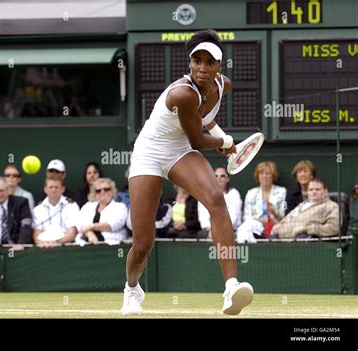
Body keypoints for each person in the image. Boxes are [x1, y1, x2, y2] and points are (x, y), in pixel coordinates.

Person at [123, 29, 253, 315]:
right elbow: (198, 141)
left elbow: (205, 118)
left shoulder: (223, 86)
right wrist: (226, 142)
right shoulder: (182, 93)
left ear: (220, 66)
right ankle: (132, 288)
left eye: (210, 62)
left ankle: (231, 286)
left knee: (216, 200)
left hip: (180, 149)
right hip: (149, 153)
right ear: (190, 63)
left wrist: (218, 134)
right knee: (143, 243)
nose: (203, 68)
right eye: (197, 61)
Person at [236, 161, 286, 243]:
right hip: (256, 224)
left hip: (275, 225)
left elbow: (284, 216)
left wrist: (274, 213)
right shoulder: (251, 193)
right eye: (261, 174)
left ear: (273, 176)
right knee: (245, 228)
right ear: (258, 176)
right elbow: (246, 216)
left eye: (267, 174)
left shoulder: (282, 192)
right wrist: (259, 220)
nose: (264, 176)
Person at [271, 179, 339, 239]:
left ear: (325, 191)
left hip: (304, 241)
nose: (314, 192)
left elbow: (333, 228)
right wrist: (276, 227)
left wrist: (308, 229)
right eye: (311, 190)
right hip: (281, 238)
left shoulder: (331, 206)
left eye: (317, 189)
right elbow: (284, 220)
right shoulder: (302, 205)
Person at [76, 178, 128, 245]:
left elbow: (113, 225)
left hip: (111, 244)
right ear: (94, 193)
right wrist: (89, 234)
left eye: (106, 189)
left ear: (112, 191)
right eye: (98, 190)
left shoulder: (120, 207)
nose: (102, 192)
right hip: (85, 243)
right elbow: (80, 224)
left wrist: (90, 227)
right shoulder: (88, 206)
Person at [32, 175, 80, 247]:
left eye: (56, 187)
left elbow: (72, 232)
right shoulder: (38, 209)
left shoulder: (71, 206)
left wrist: (57, 242)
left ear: (62, 189)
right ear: (45, 189)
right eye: (50, 187)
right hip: (44, 248)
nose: (53, 190)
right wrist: (41, 244)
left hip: (66, 247)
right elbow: (36, 233)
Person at [197, 167, 243, 238]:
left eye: (222, 176)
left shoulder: (234, 193)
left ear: (228, 179)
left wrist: (219, 230)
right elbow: (203, 216)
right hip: (209, 230)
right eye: (215, 176)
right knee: (202, 234)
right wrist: (211, 229)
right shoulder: (204, 194)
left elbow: (233, 217)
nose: (218, 179)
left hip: (230, 229)